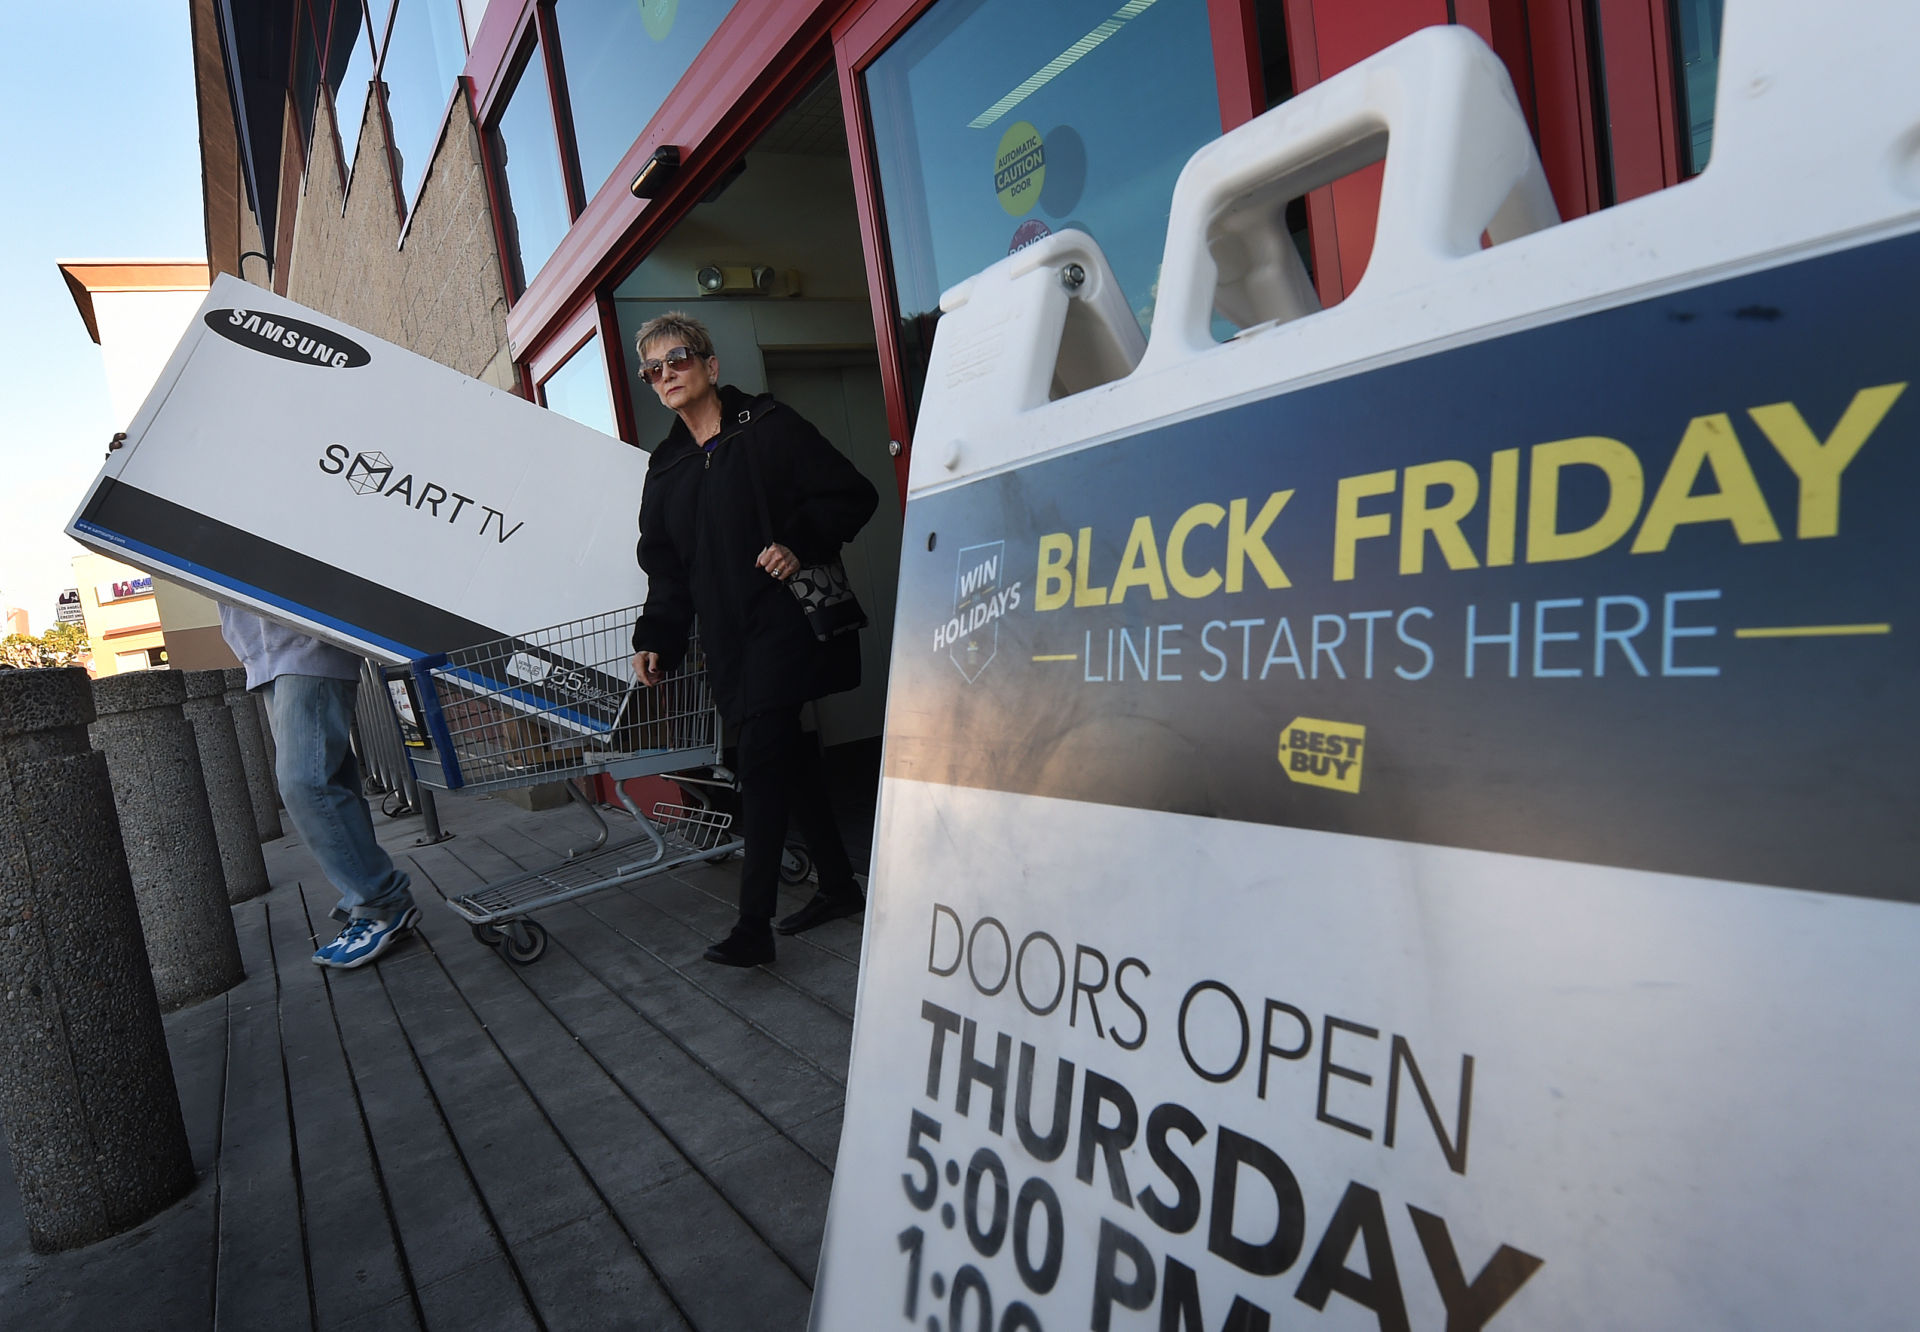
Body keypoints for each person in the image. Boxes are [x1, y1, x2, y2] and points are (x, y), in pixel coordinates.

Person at [629, 313, 878, 967]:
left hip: (784, 622)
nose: (665, 374)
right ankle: (839, 884)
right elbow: (666, 568)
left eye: (678, 359)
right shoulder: (666, 468)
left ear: (710, 366)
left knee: (761, 758)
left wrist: (798, 542)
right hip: (728, 638)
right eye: (652, 369)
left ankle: (752, 926)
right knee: (786, 754)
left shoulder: (768, 427)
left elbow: (852, 494)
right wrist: (657, 636)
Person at [219, 606, 420, 968]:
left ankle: (382, 902)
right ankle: (369, 906)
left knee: (304, 782)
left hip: (305, 637)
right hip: (265, 650)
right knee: (331, 781)